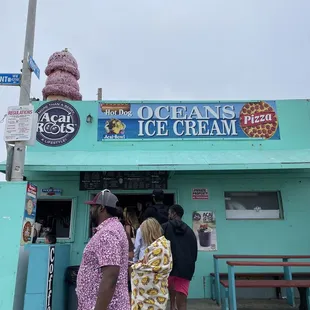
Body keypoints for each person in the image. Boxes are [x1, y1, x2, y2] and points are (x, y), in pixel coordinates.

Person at [76, 189, 130, 310]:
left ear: (101, 208)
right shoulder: (113, 229)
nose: (90, 210)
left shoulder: (107, 234)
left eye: (93, 207)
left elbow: (111, 276)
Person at [131, 218, 172, 310]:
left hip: (152, 300)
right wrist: (141, 264)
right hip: (156, 296)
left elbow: (149, 273)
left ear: (148, 232)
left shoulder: (159, 248)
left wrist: (135, 266)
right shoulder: (160, 245)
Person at [162, 205, 198, 310]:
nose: (168, 215)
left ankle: (172, 306)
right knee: (182, 302)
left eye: (169, 213)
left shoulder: (164, 227)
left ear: (174, 214)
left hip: (168, 267)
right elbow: (194, 253)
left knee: (170, 287)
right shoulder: (190, 232)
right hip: (185, 269)